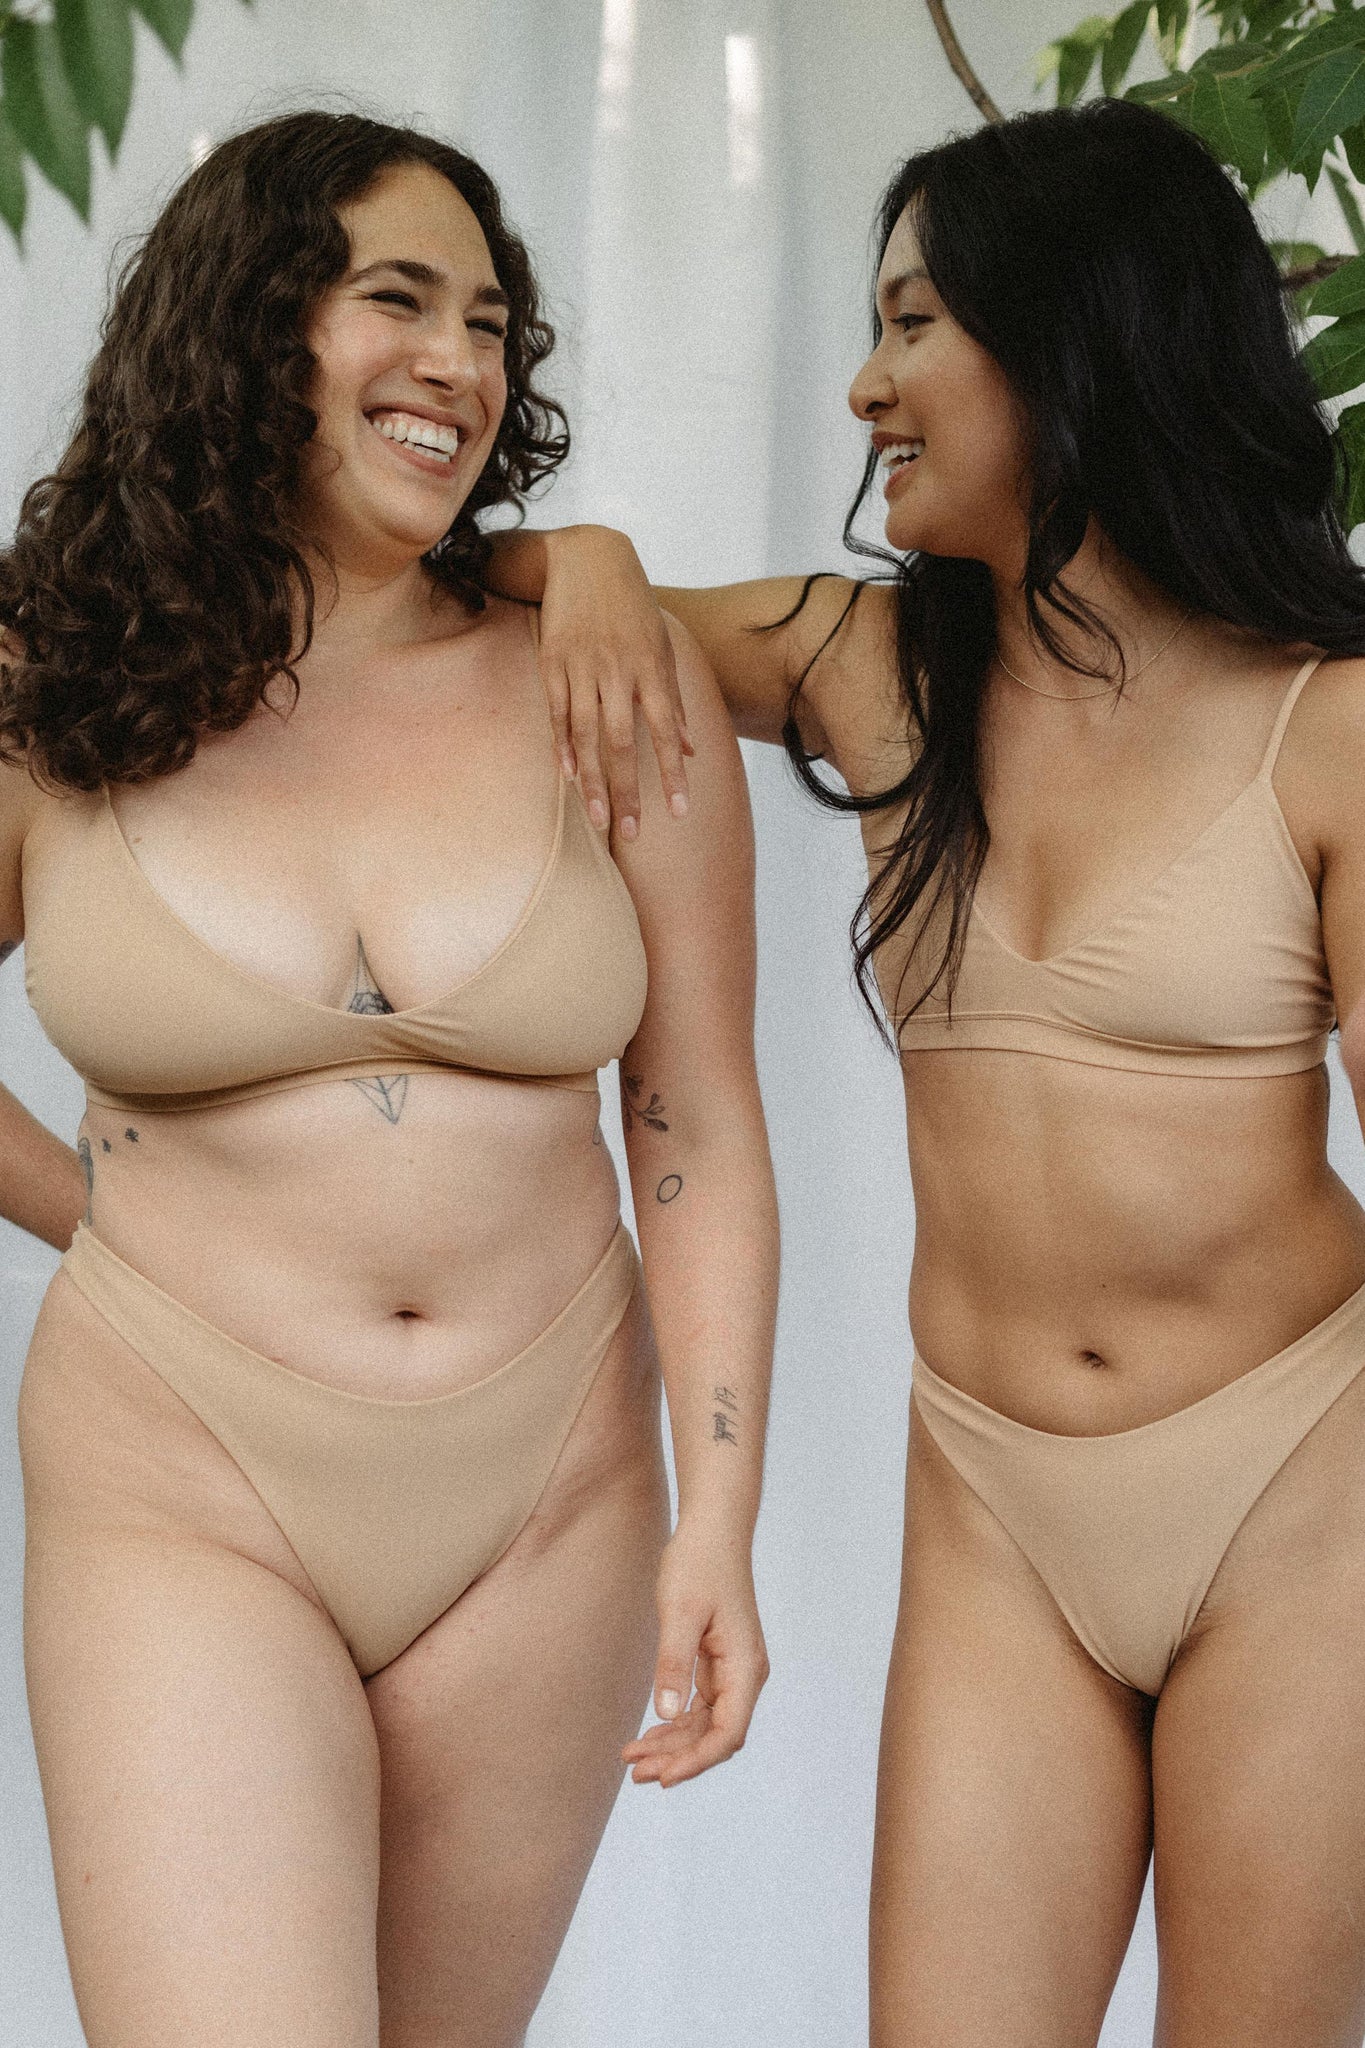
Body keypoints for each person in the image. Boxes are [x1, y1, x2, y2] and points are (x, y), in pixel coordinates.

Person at [497, 98, 1365, 2045]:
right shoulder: (867, 667)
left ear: (1066, 343)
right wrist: (590, 548)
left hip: (1305, 1496)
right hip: (990, 1500)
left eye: (910, 325)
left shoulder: (1332, 726)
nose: (862, 381)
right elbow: (461, 603)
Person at [0, 110, 776, 2048]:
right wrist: (108, 1221)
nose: (456, 358)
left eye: (490, 322)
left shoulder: (600, 673)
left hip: (549, 1497)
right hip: (184, 1470)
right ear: (249, 325)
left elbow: (689, 1121)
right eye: (395, 298)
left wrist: (716, 1518)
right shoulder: (62, 675)